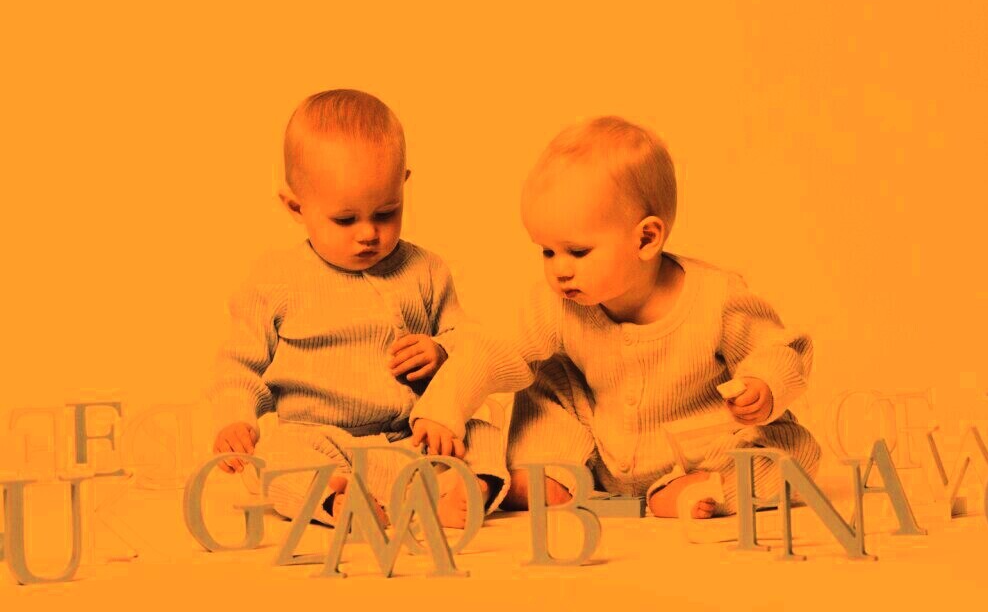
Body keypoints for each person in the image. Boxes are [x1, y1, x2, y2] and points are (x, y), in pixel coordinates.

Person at [411, 116, 820, 517]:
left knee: (795, 452)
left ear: (645, 238)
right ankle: (547, 474)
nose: (559, 269)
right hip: (599, 453)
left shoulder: (717, 298)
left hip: (705, 450)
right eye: (547, 251)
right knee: (546, 376)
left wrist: (764, 385)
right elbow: (492, 349)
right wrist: (444, 407)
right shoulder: (555, 304)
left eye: (577, 252)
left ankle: (705, 488)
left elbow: (779, 349)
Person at [210, 89, 505, 528]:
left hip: (411, 437)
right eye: (345, 220)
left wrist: (441, 352)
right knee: (276, 458)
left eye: (386, 212)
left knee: (483, 431)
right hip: (319, 440)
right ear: (296, 206)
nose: (368, 233)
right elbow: (240, 364)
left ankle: (465, 490)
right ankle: (336, 499)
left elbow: (470, 345)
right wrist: (236, 419)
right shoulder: (275, 280)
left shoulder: (426, 270)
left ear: (403, 185)